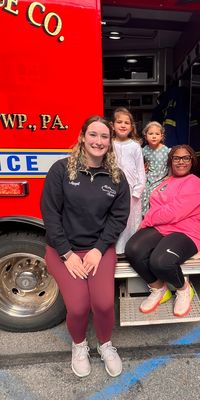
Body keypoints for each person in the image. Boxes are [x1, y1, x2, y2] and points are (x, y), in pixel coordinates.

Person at [40, 116, 130, 378]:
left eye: (104, 136)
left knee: (102, 304)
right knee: (78, 307)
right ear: (82, 137)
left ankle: (105, 345)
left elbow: (118, 217)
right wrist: (67, 254)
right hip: (63, 250)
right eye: (93, 135)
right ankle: (79, 346)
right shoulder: (61, 170)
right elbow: (50, 213)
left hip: (98, 250)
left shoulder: (116, 177)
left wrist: (99, 249)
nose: (98, 141)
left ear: (110, 142)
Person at [125, 144, 200, 317]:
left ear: (192, 161)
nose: (181, 162)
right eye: (176, 158)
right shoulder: (166, 181)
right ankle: (159, 289)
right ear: (171, 161)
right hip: (162, 227)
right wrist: (155, 216)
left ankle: (183, 289)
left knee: (161, 262)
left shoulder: (194, 182)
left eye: (186, 158)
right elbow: (157, 205)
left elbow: (174, 212)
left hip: (186, 231)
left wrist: (148, 220)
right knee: (133, 250)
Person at [112, 107, 145, 255]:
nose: (123, 125)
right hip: (113, 189)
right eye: (119, 122)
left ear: (132, 127)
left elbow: (140, 171)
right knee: (114, 217)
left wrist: (137, 191)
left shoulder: (135, 146)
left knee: (130, 220)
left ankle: (129, 249)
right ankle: (114, 249)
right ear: (113, 125)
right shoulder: (109, 144)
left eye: (127, 122)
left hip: (132, 191)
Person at [141, 121, 170, 216]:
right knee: (143, 192)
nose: (154, 136)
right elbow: (139, 164)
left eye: (157, 134)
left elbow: (171, 165)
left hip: (161, 178)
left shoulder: (166, 150)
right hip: (148, 178)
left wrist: (169, 176)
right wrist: (143, 169)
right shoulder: (144, 150)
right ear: (145, 136)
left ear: (161, 136)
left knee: (157, 196)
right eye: (151, 134)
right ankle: (145, 216)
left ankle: (156, 216)